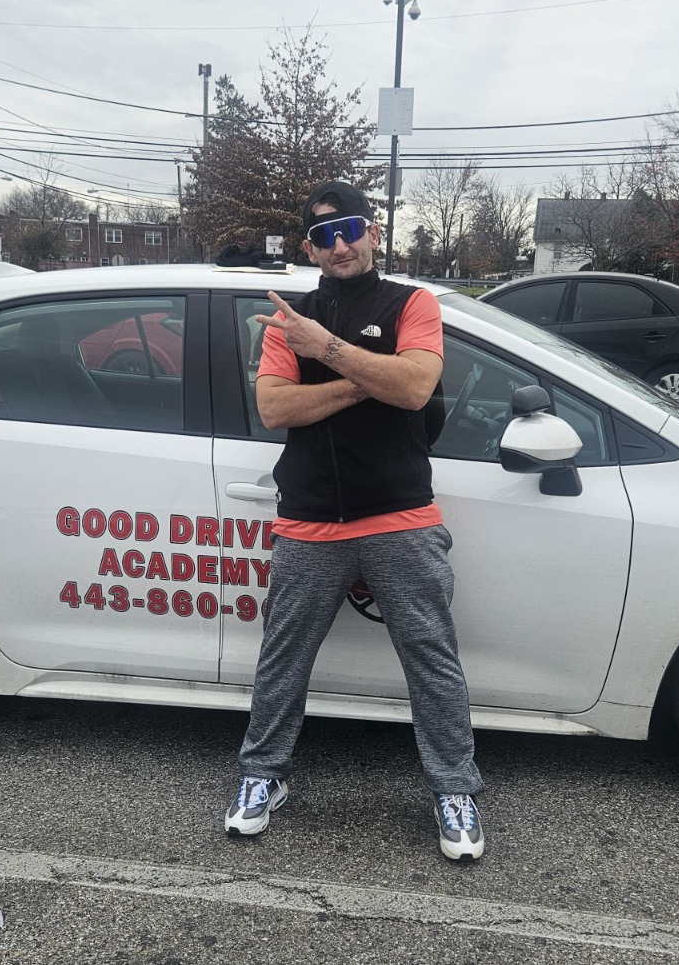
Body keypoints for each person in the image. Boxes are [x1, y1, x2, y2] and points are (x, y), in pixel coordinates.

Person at [224, 180, 484, 861]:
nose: (339, 245)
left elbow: (416, 387)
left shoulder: (411, 303)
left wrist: (327, 352)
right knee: (283, 659)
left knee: (431, 658)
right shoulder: (292, 319)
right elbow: (276, 409)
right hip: (309, 518)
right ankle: (262, 775)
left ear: (372, 234)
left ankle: (455, 790)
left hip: (400, 513)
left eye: (349, 229)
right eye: (323, 235)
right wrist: (371, 379)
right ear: (309, 247)